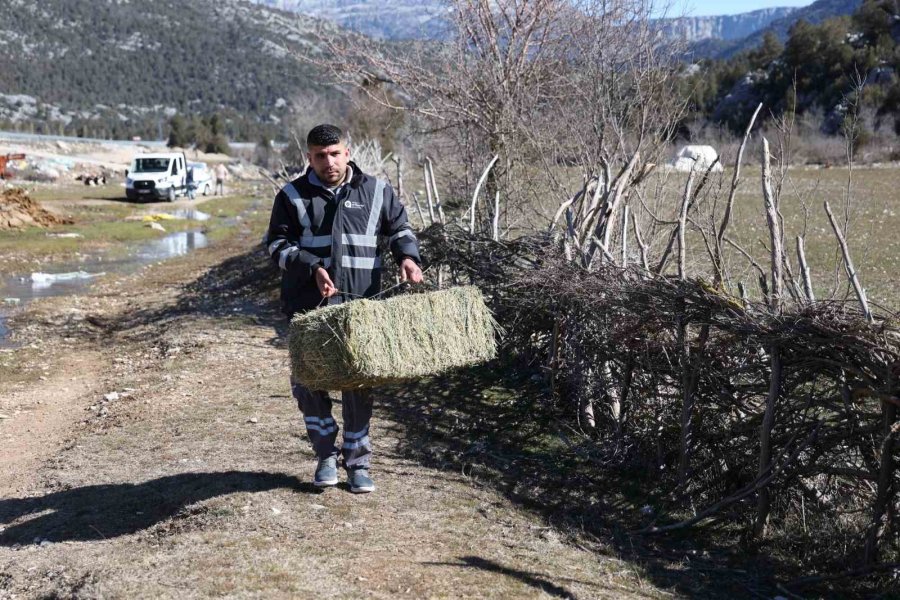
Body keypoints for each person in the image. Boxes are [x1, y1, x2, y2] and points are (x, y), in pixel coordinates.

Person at [265, 124, 423, 493]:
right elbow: (276, 245)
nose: (329, 162)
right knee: (309, 383)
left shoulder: (377, 191)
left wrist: (408, 258)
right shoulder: (291, 196)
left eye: (335, 154)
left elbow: (400, 228)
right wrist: (311, 267)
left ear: (347, 153)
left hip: (361, 306)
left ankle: (358, 463)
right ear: (309, 158)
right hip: (309, 307)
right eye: (320, 156)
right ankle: (324, 456)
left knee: (359, 383)